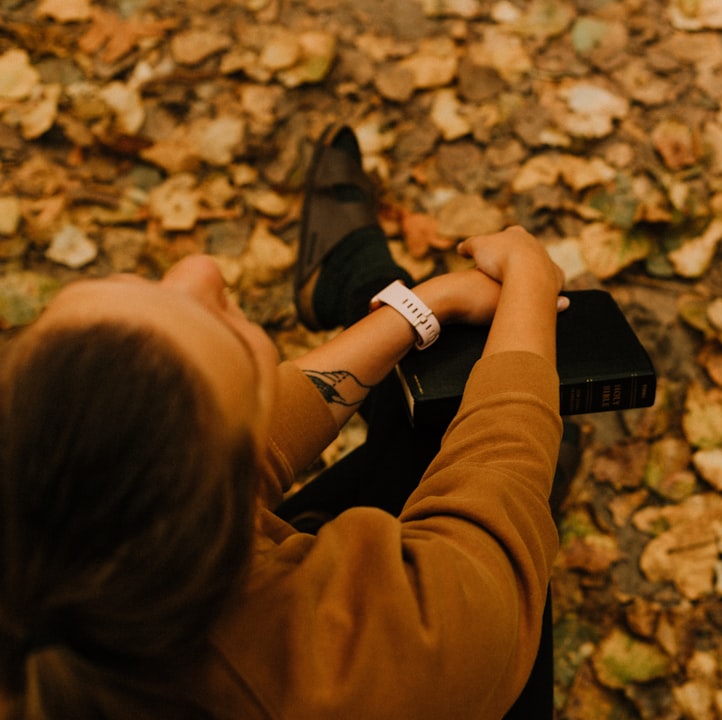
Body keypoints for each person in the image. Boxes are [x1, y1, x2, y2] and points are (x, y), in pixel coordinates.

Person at [0, 123, 567, 719]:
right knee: (455, 428)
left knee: (424, 410)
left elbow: (238, 438)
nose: (198, 269)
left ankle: (352, 273)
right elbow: (499, 496)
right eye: (216, 325)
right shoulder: (356, 666)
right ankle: (355, 273)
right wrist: (527, 280)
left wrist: (427, 304)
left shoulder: (79, 568)